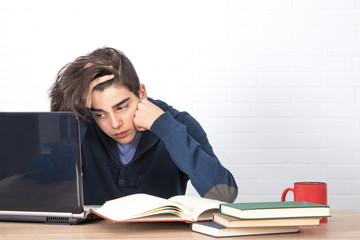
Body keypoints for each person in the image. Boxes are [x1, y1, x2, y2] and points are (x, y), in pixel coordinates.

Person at [49, 47, 238, 205]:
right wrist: (67, 108)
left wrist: (166, 129)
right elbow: (43, 184)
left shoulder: (177, 124)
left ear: (142, 93)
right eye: (101, 114)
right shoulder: (85, 123)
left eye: (122, 107)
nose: (115, 123)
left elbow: (223, 195)